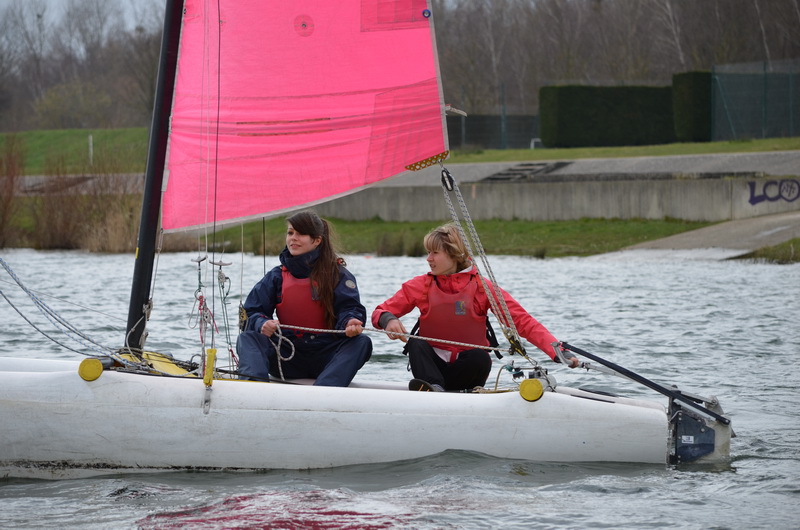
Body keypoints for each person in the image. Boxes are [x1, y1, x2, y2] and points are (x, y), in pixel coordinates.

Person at [372, 223, 579, 392]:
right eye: (428, 252)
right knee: (416, 344)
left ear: (454, 254)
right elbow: (379, 312)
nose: (429, 259)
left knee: (480, 356)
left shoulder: (483, 288)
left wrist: (558, 351)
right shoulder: (420, 285)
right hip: (431, 372)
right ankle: (434, 389)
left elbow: (522, 321)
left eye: (435, 252)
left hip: (468, 371)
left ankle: (452, 392)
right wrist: (389, 320)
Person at [237, 211, 372, 387]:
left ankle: (323, 391)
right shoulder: (276, 276)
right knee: (248, 337)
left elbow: (349, 308)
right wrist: (261, 323)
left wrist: (350, 322)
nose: (293, 238)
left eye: (300, 234)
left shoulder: (338, 275)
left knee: (362, 342)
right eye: (290, 233)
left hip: (326, 357)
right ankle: (254, 389)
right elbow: (251, 312)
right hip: (287, 356)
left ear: (317, 240)